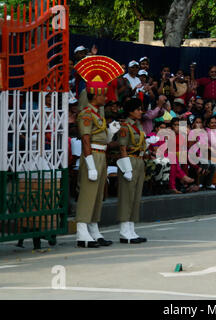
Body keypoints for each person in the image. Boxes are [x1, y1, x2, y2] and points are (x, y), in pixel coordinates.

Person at [74, 55, 124, 248]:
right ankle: (81, 231)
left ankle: (93, 228)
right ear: (95, 95)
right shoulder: (86, 114)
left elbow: (102, 139)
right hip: (92, 155)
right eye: (103, 94)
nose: (107, 97)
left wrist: (111, 132)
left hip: (101, 153)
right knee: (88, 192)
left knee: (97, 195)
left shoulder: (97, 114)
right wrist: (90, 164)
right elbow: (86, 139)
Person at [117, 98, 148, 244]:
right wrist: (126, 168)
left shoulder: (138, 126)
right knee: (127, 195)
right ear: (130, 111)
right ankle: (124, 230)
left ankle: (131, 228)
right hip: (128, 160)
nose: (140, 112)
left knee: (135, 196)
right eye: (138, 109)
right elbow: (122, 147)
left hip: (139, 160)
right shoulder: (124, 127)